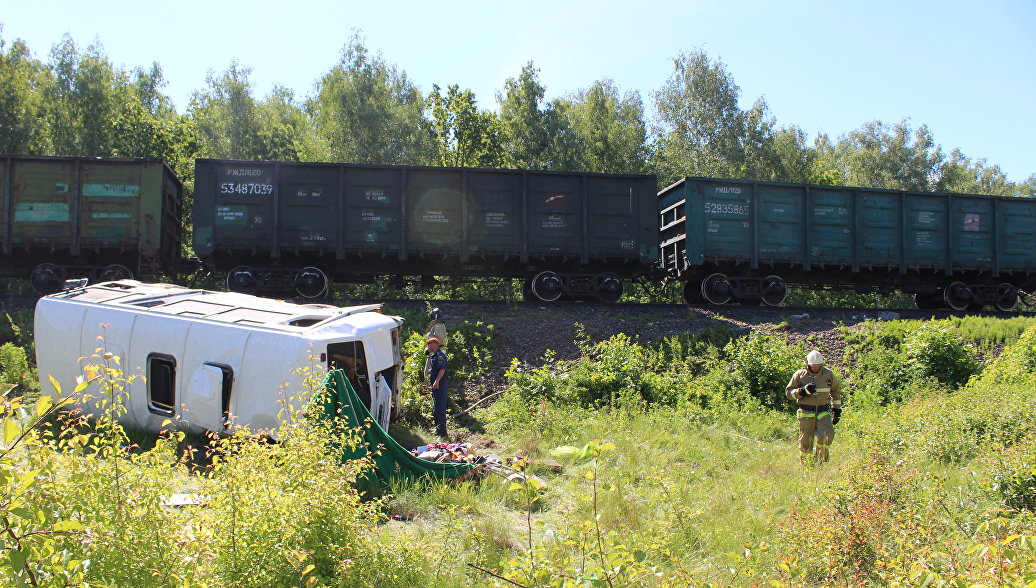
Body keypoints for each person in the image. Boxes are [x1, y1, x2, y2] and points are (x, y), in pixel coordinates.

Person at [785, 349, 842, 467]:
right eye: (813, 365)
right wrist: (802, 391)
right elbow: (788, 393)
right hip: (806, 412)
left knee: (828, 435)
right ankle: (806, 467)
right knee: (806, 442)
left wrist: (836, 409)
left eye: (819, 365)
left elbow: (835, 391)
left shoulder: (828, 374)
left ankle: (820, 461)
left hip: (823, 411)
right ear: (807, 364)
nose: (816, 368)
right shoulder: (800, 375)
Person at [426, 337, 449, 438]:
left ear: (434, 344)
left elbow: (442, 369)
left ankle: (443, 434)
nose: (428, 346)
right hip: (436, 387)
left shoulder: (440, 355)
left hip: (440, 386)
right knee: (436, 409)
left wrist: (437, 380)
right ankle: (438, 431)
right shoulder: (433, 356)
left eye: (429, 344)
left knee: (440, 409)